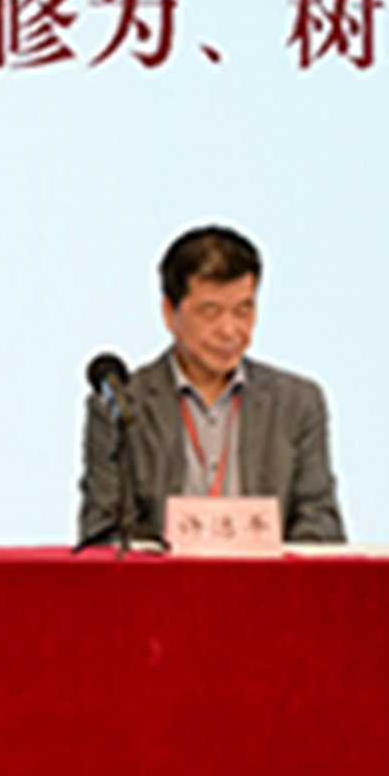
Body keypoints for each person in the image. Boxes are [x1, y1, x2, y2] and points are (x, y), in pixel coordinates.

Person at [78, 223, 344, 546]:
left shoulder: (297, 403)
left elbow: (320, 525)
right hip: (162, 578)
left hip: (268, 577)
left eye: (243, 311)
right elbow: (103, 532)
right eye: (211, 313)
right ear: (169, 313)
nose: (230, 331)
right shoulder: (121, 406)